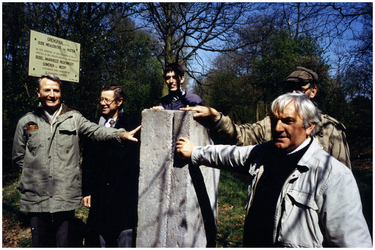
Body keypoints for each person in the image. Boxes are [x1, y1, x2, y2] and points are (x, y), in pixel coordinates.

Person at [176, 92, 372, 247]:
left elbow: (351, 243)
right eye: (274, 120)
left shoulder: (332, 175)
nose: (277, 128)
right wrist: (194, 152)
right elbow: (229, 155)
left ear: (309, 127)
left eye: (288, 121)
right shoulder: (265, 152)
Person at [11, 74, 141, 247]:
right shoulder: (26, 122)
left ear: (61, 93)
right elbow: (19, 157)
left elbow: (96, 131)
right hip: (36, 196)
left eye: (56, 90)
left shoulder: (74, 118)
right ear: (38, 93)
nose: (51, 94)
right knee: (39, 243)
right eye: (47, 90)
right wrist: (34, 173)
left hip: (64, 195)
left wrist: (121, 133)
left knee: (64, 242)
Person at [180, 66, 352, 169]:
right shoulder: (272, 123)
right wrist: (217, 117)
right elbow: (240, 139)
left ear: (313, 91)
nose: (293, 94)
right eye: (289, 89)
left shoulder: (330, 129)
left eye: (299, 89)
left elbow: (341, 180)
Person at [81, 84, 141, 247]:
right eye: (101, 99)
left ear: (119, 101)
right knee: (98, 237)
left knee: (124, 237)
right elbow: (87, 161)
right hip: (99, 192)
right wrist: (86, 190)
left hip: (124, 193)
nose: (102, 103)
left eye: (107, 99)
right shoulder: (92, 125)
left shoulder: (134, 123)